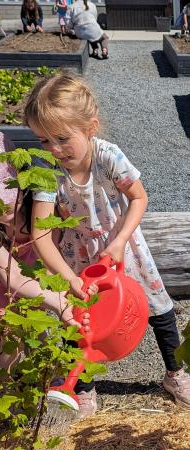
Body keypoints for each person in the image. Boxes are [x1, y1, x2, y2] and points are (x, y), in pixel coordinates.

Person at [24, 72, 190, 416]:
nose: (53, 149)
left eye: (62, 138)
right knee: (79, 320)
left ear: (90, 127)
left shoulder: (108, 156)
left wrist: (119, 241)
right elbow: (40, 233)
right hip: (76, 257)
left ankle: (176, 374)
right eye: (43, 141)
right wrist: (69, 279)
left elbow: (139, 199)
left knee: (159, 309)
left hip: (123, 248)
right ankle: (82, 388)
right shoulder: (47, 172)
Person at [0, 130, 95, 375]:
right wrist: (57, 302)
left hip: (25, 259)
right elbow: (13, 279)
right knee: (6, 330)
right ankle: (4, 387)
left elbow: (47, 249)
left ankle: (42, 374)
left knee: (33, 315)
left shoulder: (37, 199)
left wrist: (56, 291)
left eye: (6, 196)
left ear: (21, 179)